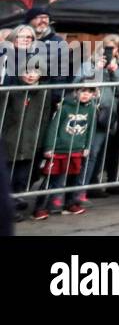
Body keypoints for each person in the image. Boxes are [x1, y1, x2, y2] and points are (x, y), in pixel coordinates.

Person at [73, 33, 119, 201]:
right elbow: (76, 83)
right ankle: (74, 188)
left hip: (104, 114)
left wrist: (113, 73)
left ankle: (83, 188)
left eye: (113, 48)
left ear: (118, 50)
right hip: (84, 112)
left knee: (95, 153)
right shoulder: (89, 64)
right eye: (107, 47)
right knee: (81, 152)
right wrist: (96, 69)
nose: (110, 51)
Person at [30, 83, 99, 219]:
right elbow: (53, 127)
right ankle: (40, 207)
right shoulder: (65, 108)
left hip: (77, 149)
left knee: (73, 178)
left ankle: (70, 203)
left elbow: (91, 129)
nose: (85, 94)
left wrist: (87, 146)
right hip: (59, 150)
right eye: (83, 91)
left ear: (93, 94)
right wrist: (49, 146)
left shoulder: (91, 109)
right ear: (76, 92)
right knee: (52, 179)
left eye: (89, 92)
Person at [2, 51, 51, 219]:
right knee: (7, 177)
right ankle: (8, 207)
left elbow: (44, 119)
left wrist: (41, 142)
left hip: (30, 143)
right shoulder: (11, 91)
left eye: (35, 71)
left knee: (22, 177)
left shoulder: (45, 92)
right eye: (27, 71)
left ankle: (15, 199)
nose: (31, 75)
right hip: (10, 141)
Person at [25, 6, 69, 85]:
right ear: (30, 20)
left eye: (46, 17)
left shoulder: (57, 42)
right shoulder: (20, 37)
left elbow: (60, 72)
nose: (43, 20)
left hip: (43, 90)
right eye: (39, 17)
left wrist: (57, 93)